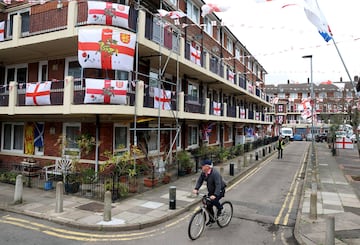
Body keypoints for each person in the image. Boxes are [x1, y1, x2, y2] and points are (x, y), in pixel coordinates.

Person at [193, 159, 227, 226]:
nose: (201, 166)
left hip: (220, 190)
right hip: (211, 191)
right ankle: (212, 219)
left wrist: (215, 194)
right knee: (208, 204)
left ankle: (220, 208)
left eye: (203, 165)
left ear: (207, 167)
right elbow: (200, 181)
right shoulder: (204, 172)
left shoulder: (215, 173)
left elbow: (218, 185)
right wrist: (196, 188)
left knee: (213, 200)